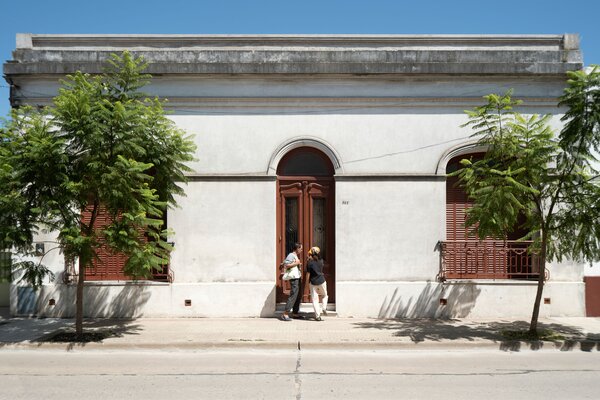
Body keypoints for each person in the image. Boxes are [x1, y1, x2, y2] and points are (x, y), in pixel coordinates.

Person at [280, 242, 303, 321]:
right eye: (301, 248)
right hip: (294, 278)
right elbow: (286, 265)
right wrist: (296, 263)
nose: (301, 250)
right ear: (297, 248)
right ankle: (285, 314)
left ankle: (295, 313)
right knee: (293, 295)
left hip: (297, 277)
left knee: (297, 295)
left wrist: (298, 264)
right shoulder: (291, 255)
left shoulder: (295, 255)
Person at [306, 246, 328, 321]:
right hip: (322, 281)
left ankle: (318, 316)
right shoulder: (321, 260)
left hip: (313, 282)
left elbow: (308, 274)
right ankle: (324, 307)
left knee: (315, 300)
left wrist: (306, 284)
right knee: (324, 295)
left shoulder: (309, 263)